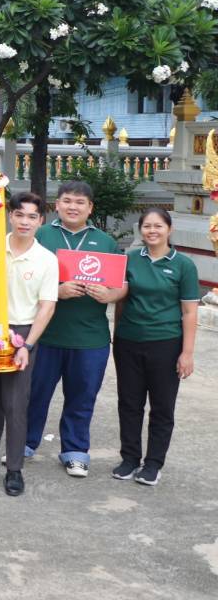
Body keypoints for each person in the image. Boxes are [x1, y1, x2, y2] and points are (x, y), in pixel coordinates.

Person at [26, 181, 123, 478]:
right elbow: (22, 277)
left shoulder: (105, 242)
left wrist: (110, 295)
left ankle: (75, 452)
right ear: (56, 204)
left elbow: (122, 284)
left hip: (90, 338)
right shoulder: (41, 235)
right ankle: (24, 443)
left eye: (80, 202)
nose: (73, 207)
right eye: (67, 201)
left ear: (90, 208)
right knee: (34, 393)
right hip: (45, 334)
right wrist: (57, 291)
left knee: (82, 397)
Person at [0, 192, 58, 498]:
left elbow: (47, 307)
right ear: (9, 216)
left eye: (32, 216)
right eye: (19, 215)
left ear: (41, 221)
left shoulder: (46, 259)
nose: (25, 222)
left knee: (16, 404)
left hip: (22, 333)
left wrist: (27, 346)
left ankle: (15, 469)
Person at [110, 209, 199, 487]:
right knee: (129, 403)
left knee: (161, 407)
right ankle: (129, 458)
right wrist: (116, 333)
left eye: (158, 226)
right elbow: (121, 298)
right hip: (128, 341)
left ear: (169, 230)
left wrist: (187, 353)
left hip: (166, 343)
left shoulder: (184, 265)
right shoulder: (130, 258)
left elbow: (189, 312)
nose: (152, 231)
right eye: (147, 226)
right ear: (141, 230)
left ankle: (153, 463)